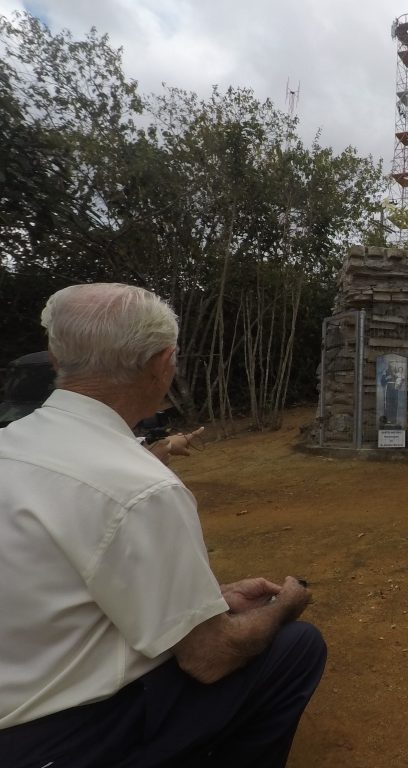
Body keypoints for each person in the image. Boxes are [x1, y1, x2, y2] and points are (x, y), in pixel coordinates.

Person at [0, 283, 326, 768]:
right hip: (59, 741)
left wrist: (208, 599)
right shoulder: (142, 488)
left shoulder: (12, 443)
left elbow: (67, 585)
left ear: (53, 355)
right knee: (298, 648)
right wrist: (285, 607)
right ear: (163, 362)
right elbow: (209, 657)